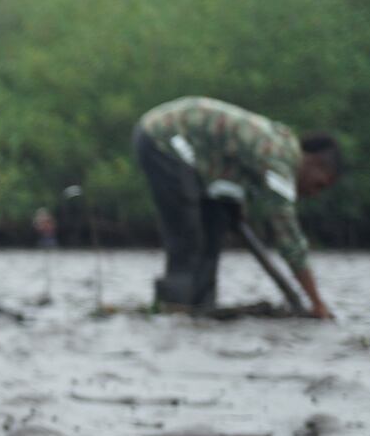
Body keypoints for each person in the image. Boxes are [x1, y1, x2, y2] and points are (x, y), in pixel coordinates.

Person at [132, 96, 344, 318]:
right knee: (188, 235)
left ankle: (200, 309)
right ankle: (174, 308)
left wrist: (233, 207)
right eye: (319, 185)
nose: (313, 193)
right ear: (314, 163)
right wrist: (317, 302)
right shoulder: (280, 159)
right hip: (162, 137)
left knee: (214, 226)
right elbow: (289, 238)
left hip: (194, 157)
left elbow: (230, 170)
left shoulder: (280, 145)